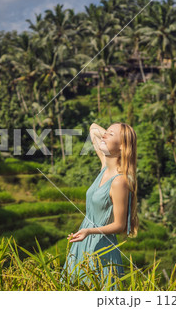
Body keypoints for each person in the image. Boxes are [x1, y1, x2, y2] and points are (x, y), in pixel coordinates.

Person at [60, 122, 139, 290]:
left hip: (101, 248)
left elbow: (120, 225)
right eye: (107, 132)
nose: (104, 135)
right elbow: (93, 128)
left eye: (110, 135)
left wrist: (89, 231)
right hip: (83, 241)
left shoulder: (119, 181)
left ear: (122, 147)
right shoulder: (105, 167)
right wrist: (112, 138)